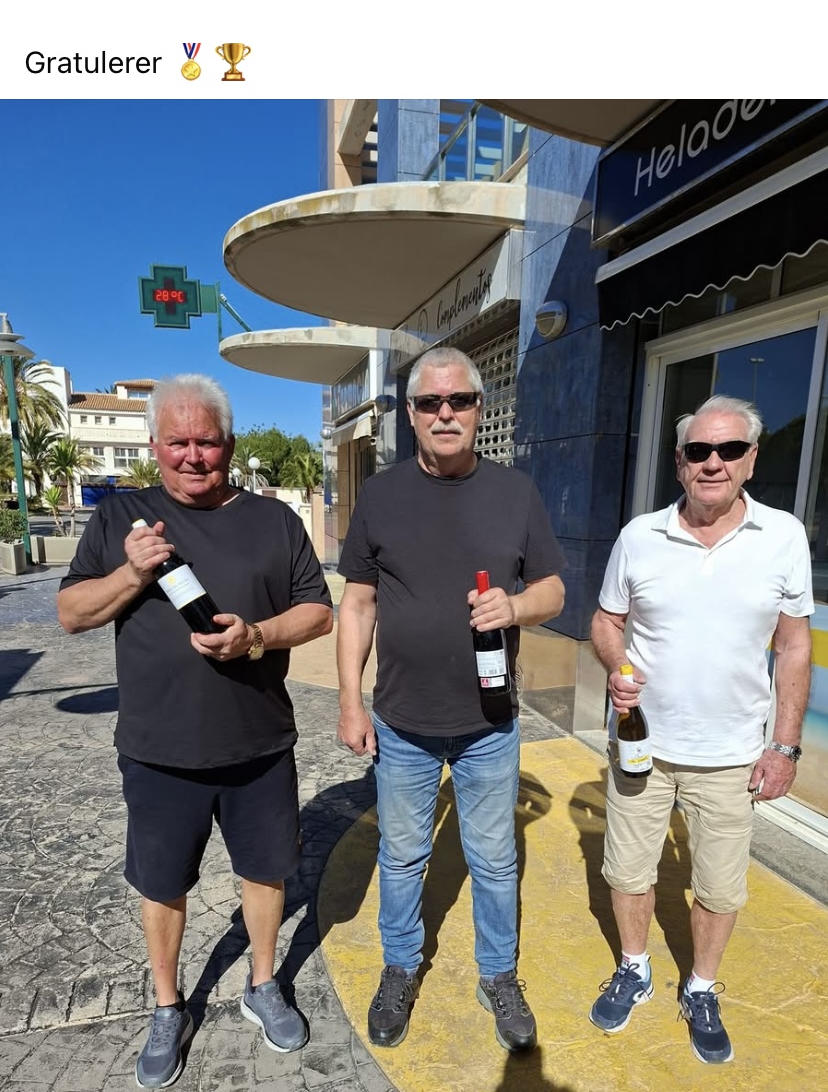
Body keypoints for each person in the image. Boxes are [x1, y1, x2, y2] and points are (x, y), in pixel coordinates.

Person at [57, 374, 333, 1088]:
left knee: (266, 871)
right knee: (162, 881)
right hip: (159, 749)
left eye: (205, 441)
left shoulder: (274, 519)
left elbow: (318, 613)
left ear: (229, 444)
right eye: (176, 441)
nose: (192, 455)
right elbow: (72, 613)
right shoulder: (122, 517)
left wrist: (256, 635)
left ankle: (263, 984)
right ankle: (167, 1005)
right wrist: (132, 572)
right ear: (154, 445)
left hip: (259, 743)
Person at [336, 347, 565, 1054]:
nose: (445, 413)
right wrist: (350, 701)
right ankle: (401, 965)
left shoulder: (515, 493)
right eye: (430, 402)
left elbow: (554, 590)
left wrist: (515, 606)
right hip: (401, 722)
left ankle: (498, 974)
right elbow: (357, 605)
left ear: (479, 408)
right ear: (410, 414)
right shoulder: (380, 496)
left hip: (489, 724)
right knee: (404, 855)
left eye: (459, 400)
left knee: (493, 860)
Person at [589, 395, 813, 1065]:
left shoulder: (783, 537)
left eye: (730, 449)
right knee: (628, 869)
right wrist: (618, 665)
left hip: (733, 754)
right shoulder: (640, 536)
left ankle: (702, 986)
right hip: (641, 743)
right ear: (679, 461)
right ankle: (634, 967)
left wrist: (784, 745)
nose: (713, 462)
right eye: (699, 450)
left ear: (751, 460)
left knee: (718, 885)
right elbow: (606, 621)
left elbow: (793, 647)